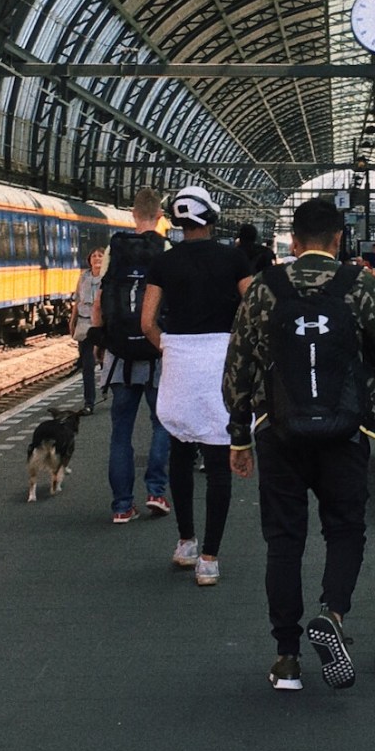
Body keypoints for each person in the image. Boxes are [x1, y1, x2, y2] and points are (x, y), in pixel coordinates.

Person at [224, 197, 375, 692]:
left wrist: (238, 437)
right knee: (345, 528)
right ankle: (332, 613)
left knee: (284, 541)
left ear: (294, 242)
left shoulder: (265, 288)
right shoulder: (360, 285)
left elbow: (238, 366)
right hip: (346, 432)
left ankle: (287, 657)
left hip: (279, 432)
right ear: (339, 239)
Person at [142, 186, 252, 587]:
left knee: (181, 452)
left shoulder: (163, 262)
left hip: (180, 364)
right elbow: (254, 309)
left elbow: (147, 322)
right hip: (221, 363)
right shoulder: (234, 259)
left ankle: (186, 541)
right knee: (219, 462)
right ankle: (210, 558)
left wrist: (170, 347)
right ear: (212, 217)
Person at [92, 187, 173, 525]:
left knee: (120, 433)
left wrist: (99, 342)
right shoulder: (166, 249)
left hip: (120, 356)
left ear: (132, 213)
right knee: (161, 423)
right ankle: (156, 491)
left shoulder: (115, 248)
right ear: (160, 216)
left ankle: (122, 506)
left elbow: (100, 301)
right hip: (156, 354)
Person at [71, 246, 105, 411]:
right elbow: (78, 300)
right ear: (89, 260)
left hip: (103, 325)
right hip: (85, 325)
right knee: (87, 364)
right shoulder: (83, 277)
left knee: (105, 361)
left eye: (100, 255)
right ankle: (89, 402)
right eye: (94, 256)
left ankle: (108, 388)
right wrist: (72, 321)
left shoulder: (109, 277)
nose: (97, 258)